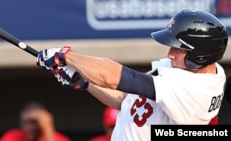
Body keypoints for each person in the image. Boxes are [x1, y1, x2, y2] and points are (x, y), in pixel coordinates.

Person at [36, 9, 228, 141]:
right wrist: (84, 82)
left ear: (201, 56)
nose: (170, 54)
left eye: (179, 49)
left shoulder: (194, 90)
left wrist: (65, 55)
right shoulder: (192, 71)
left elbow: (118, 78)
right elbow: (126, 99)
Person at [0, 101, 71, 141]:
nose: (28, 128)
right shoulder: (12, 137)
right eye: (25, 123)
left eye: (33, 122)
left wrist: (48, 132)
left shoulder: (59, 139)